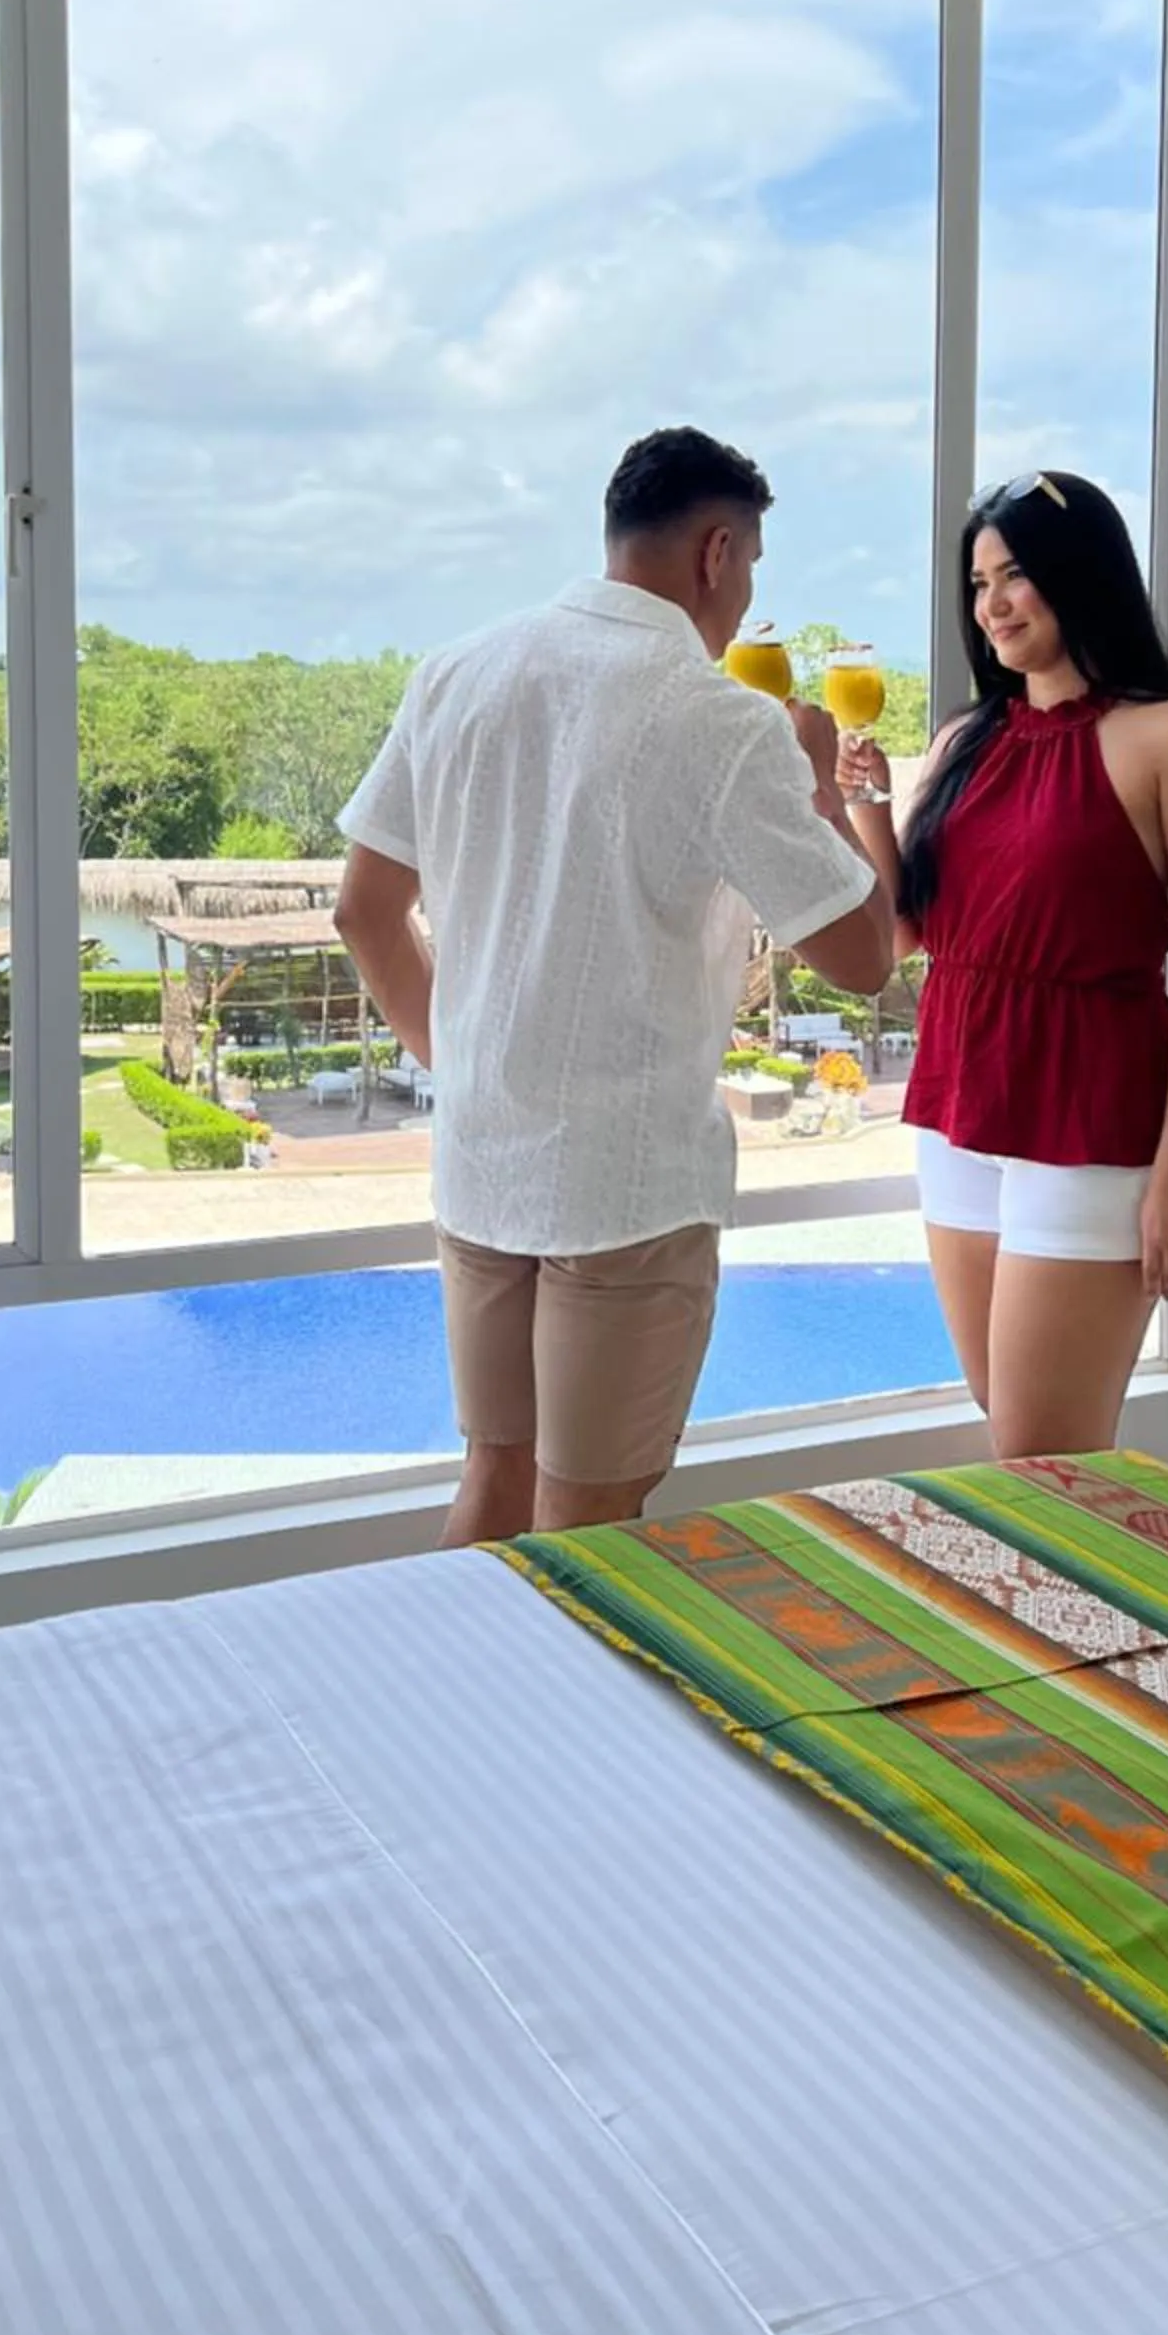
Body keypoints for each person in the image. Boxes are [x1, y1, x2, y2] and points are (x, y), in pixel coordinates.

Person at [335, 428, 892, 1546]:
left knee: (493, 1488)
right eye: (752, 571)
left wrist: (467, 1063)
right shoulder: (722, 719)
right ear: (718, 552)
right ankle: (545, 1726)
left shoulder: (459, 672)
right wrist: (826, 784)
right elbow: (865, 957)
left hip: (486, 1162)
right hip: (625, 1189)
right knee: (592, 1530)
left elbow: (363, 909)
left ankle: (416, 1717)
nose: (742, 605)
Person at [842, 472, 1168, 1459]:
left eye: (1015, 575)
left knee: (1043, 1458)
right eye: (978, 581)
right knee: (1021, 1438)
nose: (990, 604)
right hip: (961, 1108)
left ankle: (1110, 1614)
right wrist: (862, 805)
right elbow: (906, 932)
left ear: (1082, 575)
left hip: (1091, 1119)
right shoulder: (961, 739)